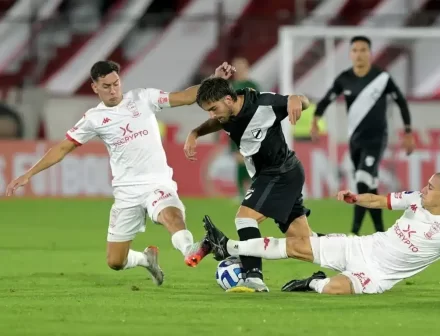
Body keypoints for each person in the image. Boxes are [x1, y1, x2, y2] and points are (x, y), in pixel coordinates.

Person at [5, 60, 235, 286]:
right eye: (106, 86)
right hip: (126, 192)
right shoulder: (94, 119)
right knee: (115, 261)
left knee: (170, 216)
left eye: (116, 83)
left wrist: (213, 81)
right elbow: (63, 148)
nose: (113, 90)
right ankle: (146, 259)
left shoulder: (142, 98)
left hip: (157, 181)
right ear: (95, 87)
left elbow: (185, 97)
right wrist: (29, 173)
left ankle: (191, 250)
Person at [202, 172, 440, 297]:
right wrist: (356, 197)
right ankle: (226, 245)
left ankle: (311, 282)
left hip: (378, 276)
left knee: (333, 290)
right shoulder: (414, 199)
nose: (424, 189)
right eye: (427, 184)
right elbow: (381, 200)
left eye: (431, 188)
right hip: (362, 247)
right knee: (297, 245)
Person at [184, 77, 324, 292]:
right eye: (208, 111)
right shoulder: (225, 115)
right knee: (302, 241)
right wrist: (195, 133)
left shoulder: (264, 104)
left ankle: (254, 278)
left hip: (281, 171)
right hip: (274, 174)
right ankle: (352, 255)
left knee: (244, 218)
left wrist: (297, 99)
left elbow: (300, 102)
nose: (213, 115)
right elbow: (216, 122)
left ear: (229, 99)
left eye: (214, 108)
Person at [312, 35, 416, 236]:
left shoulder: (382, 78)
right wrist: (315, 121)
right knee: (369, 185)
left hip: (376, 138)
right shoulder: (344, 79)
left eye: (363, 50)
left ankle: (354, 232)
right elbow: (326, 100)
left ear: (369, 53)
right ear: (351, 54)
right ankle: (381, 233)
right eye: (355, 50)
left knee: (361, 180)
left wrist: (409, 132)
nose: (359, 54)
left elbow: (401, 102)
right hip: (355, 140)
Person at [229, 57, 260, 201]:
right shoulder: (231, 86)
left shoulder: (252, 85)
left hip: (250, 126)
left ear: (246, 68)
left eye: (241, 67)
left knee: (250, 159)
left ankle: (254, 191)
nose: (239, 70)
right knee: (238, 159)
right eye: (237, 67)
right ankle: (241, 192)